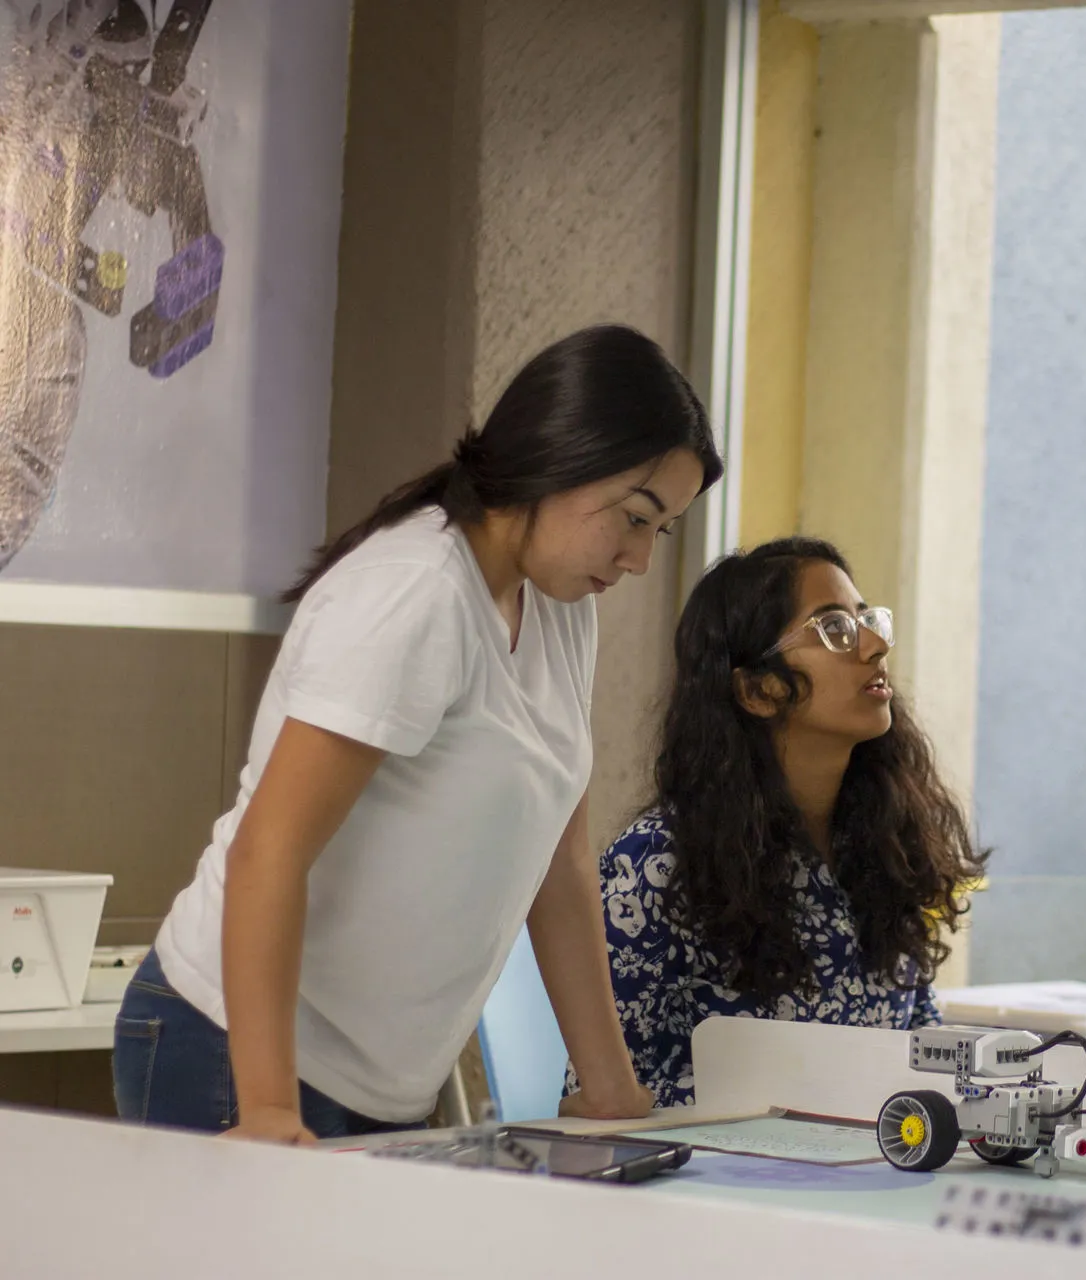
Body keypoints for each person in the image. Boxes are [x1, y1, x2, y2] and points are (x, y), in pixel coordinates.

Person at [114, 324, 722, 1142]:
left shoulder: (560, 610)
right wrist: (265, 1110)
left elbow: (560, 861)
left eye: (664, 530)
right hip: (234, 1052)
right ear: (563, 456)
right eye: (637, 518)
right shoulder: (415, 593)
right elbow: (271, 849)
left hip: (387, 1084)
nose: (641, 559)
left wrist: (611, 1084)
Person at [576, 537, 983, 1108]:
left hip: (872, 1175)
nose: (874, 645)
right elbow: (600, 1104)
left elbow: (918, 1042)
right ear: (758, 688)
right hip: (715, 1183)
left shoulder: (887, 841)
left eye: (869, 621)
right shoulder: (657, 863)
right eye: (836, 629)